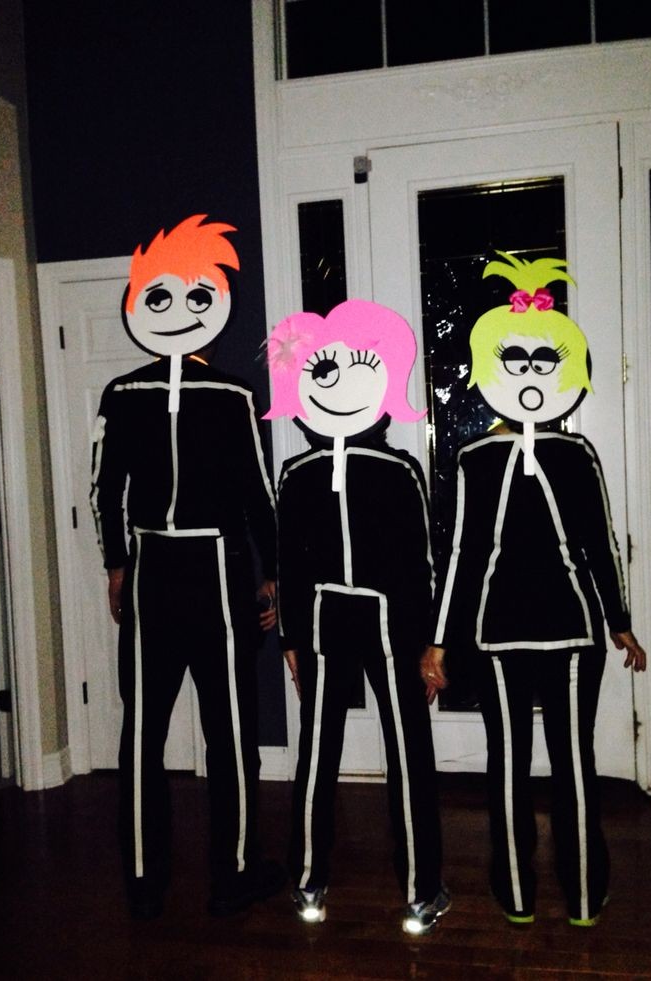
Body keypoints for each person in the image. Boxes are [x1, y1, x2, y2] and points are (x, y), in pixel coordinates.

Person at [421, 252, 646, 927]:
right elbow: (464, 552)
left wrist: (619, 619)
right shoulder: (507, 456)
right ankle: (560, 894)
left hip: (542, 634)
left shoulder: (544, 455)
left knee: (533, 762)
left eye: (541, 360)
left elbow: (593, 543)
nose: (528, 373)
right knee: (546, 762)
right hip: (530, 634)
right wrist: (438, 639)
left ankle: (544, 893)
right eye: (515, 360)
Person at [90, 214, 284, 920]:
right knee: (227, 733)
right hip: (215, 571)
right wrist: (272, 572)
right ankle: (232, 875)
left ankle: (146, 882)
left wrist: (118, 564)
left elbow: (103, 492)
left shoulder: (122, 395)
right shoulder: (234, 396)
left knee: (144, 733)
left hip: (156, 570)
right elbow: (260, 495)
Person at [264, 298, 449, 935]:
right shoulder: (300, 473)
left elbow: (422, 562)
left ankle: (412, 887)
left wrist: (430, 644)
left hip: (382, 628)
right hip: (333, 627)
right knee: (329, 754)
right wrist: (292, 638)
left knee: (395, 752)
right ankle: (320, 880)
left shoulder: (394, 470)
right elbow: (289, 560)